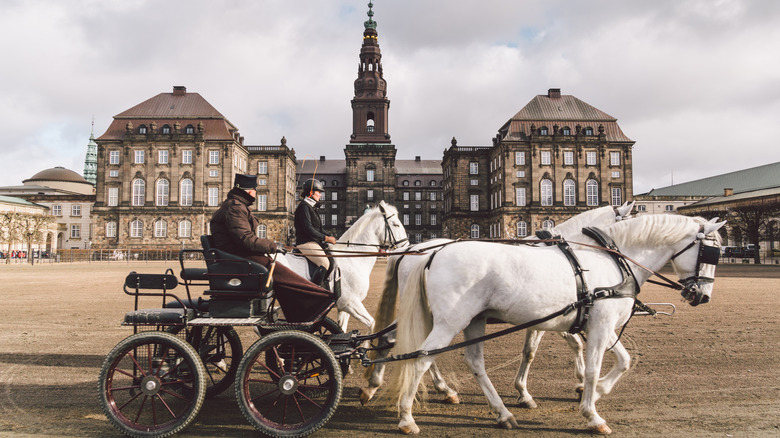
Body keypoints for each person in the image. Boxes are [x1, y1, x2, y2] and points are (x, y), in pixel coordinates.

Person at [210, 174, 333, 322]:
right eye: (255, 190)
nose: (256, 193)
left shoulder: (236, 206)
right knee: (282, 272)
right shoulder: (235, 208)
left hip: (237, 255)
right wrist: (273, 246)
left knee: (281, 272)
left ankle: (299, 308)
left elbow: (245, 238)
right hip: (238, 258)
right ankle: (311, 304)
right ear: (250, 191)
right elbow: (246, 240)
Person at [294, 178, 337, 284]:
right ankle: (314, 292)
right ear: (311, 193)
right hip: (305, 242)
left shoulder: (311, 207)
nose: (320, 195)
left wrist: (330, 236)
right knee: (324, 263)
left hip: (314, 242)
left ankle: (324, 286)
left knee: (331, 261)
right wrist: (326, 238)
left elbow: (319, 229)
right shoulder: (304, 207)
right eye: (318, 192)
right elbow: (308, 229)